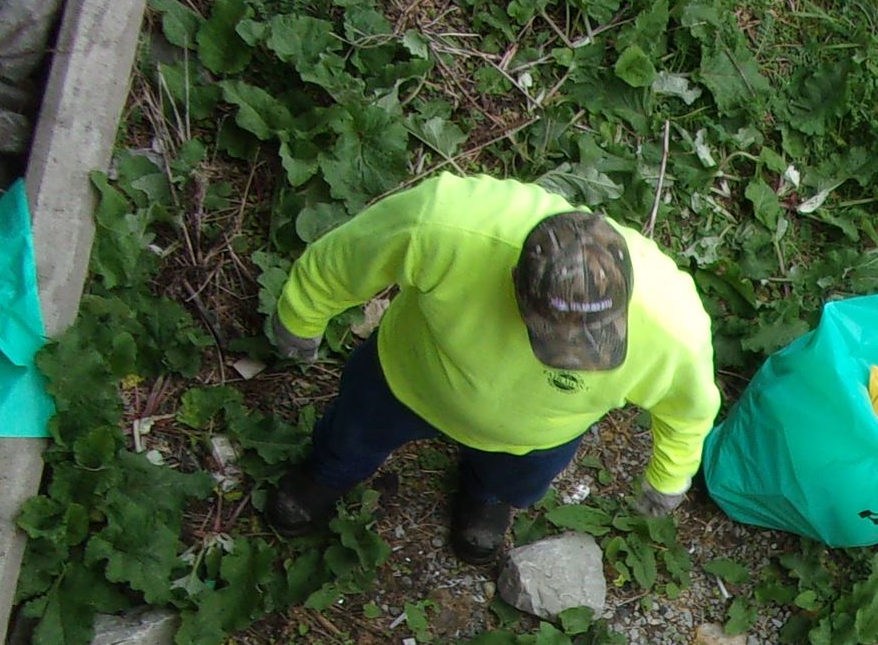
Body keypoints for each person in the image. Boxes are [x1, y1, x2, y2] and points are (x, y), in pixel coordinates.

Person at [263, 174, 719, 564]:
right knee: (352, 434)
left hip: (534, 440)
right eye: (552, 334)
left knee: (516, 480)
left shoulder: (674, 331)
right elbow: (347, 256)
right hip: (402, 380)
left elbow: (688, 410)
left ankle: (488, 496)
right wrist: (301, 317)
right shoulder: (447, 225)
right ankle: (327, 474)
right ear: (516, 281)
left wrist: (669, 477)